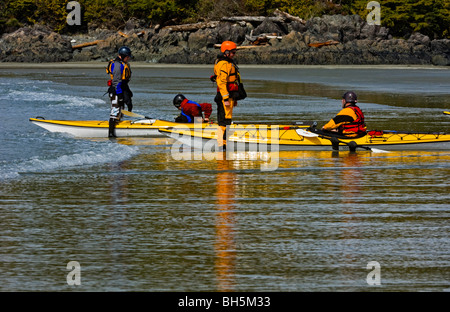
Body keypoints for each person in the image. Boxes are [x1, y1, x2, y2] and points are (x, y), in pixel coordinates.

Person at [213, 40, 243, 150]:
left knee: (227, 120)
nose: (234, 54)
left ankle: (225, 142)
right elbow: (221, 83)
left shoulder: (228, 63)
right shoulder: (223, 64)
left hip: (229, 96)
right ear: (226, 52)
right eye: (233, 52)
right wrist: (225, 98)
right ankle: (221, 144)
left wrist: (234, 99)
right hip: (224, 97)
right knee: (223, 120)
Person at [106, 46, 133, 137]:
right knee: (115, 110)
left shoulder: (123, 63)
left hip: (122, 89)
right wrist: (120, 97)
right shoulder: (117, 65)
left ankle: (118, 127)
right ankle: (111, 133)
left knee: (121, 110)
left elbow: (124, 82)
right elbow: (117, 82)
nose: (128, 58)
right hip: (116, 91)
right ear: (122, 56)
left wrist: (128, 93)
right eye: (127, 57)